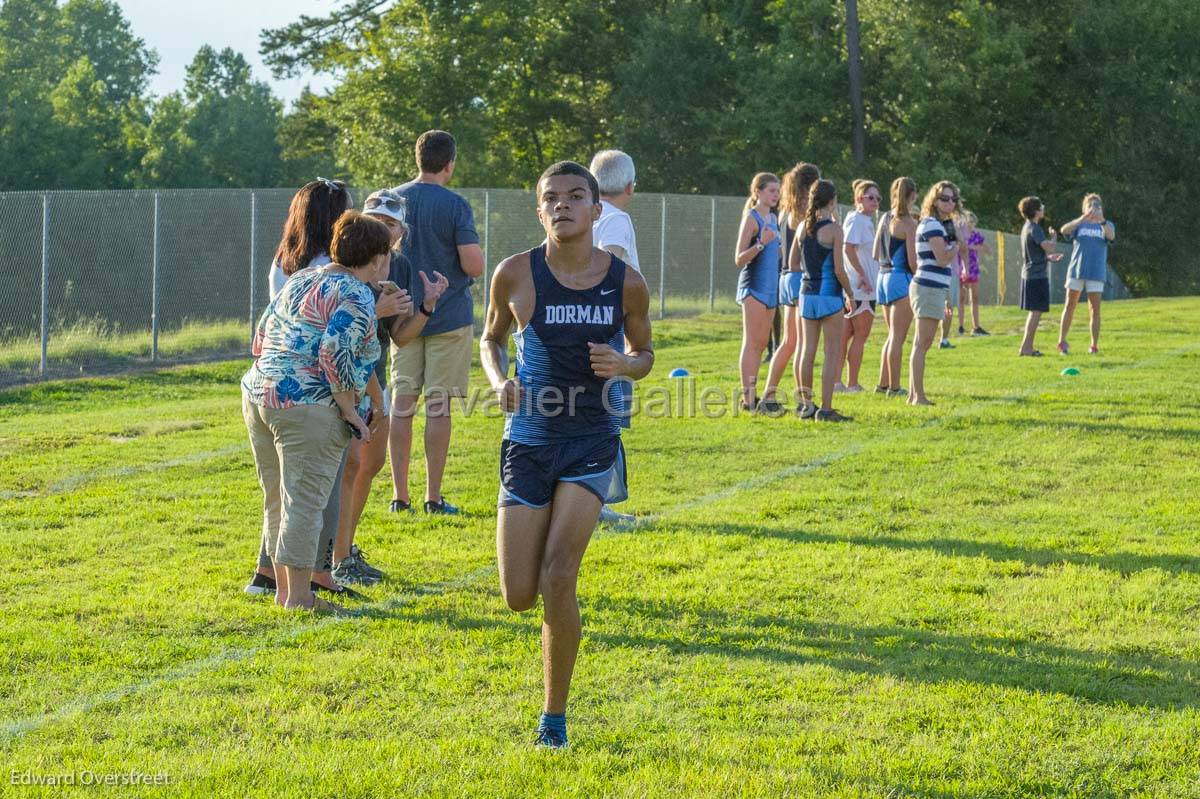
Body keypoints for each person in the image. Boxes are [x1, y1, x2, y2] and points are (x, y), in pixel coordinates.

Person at [481, 161, 653, 749]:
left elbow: (645, 350)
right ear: (539, 210)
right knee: (518, 595)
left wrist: (626, 365)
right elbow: (491, 338)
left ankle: (553, 719)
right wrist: (497, 378)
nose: (563, 206)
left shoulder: (625, 281)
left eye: (575, 196)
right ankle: (552, 698)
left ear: (595, 209)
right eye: (551, 198)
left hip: (591, 440)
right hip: (528, 442)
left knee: (560, 574)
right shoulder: (514, 274)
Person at [244, 179, 405, 599]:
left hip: (259, 394)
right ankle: (299, 596)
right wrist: (352, 411)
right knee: (306, 502)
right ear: (378, 257)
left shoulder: (302, 278)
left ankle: (280, 588)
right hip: (305, 404)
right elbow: (335, 352)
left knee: (277, 499)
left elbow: (261, 337)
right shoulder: (356, 294)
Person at [332, 190, 448, 586]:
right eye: (374, 218)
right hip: (345, 379)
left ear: (401, 231)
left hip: (372, 374)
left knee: (369, 464)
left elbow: (400, 336)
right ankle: (335, 555)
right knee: (349, 466)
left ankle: (344, 549)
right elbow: (341, 333)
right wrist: (376, 309)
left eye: (390, 223)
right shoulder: (347, 264)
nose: (382, 227)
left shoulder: (398, 265)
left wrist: (427, 306)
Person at [389, 130, 486, 516]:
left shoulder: (393, 200)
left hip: (402, 317)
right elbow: (473, 265)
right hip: (448, 317)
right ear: (450, 164)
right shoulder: (456, 205)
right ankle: (433, 496)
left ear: (418, 159)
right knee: (439, 407)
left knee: (402, 404)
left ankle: (399, 496)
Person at [589, 149, 640, 524]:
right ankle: (595, 502)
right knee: (607, 415)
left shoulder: (581, 214)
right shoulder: (616, 218)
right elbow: (610, 268)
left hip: (577, 321)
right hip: (607, 326)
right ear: (629, 186)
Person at [762, 162, 821, 414]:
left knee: (788, 342)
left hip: (785, 277)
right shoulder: (803, 214)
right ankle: (804, 401)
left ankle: (768, 395)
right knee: (801, 344)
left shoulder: (785, 211)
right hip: (798, 278)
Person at [795, 179, 854, 421]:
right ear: (832, 201)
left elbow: (793, 263)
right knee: (831, 354)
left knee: (807, 351)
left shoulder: (801, 228)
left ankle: (806, 405)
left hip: (806, 295)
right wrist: (851, 293)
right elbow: (839, 270)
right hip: (829, 296)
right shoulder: (834, 230)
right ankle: (826, 409)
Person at [908, 181, 963, 405]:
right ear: (934, 200)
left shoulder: (939, 225)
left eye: (953, 199)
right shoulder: (932, 225)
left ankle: (914, 395)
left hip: (934, 287)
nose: (949, 203)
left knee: (921, 343)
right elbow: (941, 259)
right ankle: (918, 396)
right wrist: (955, 249)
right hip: (927, 286)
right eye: (944, 198)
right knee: (922, 344)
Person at [733, 172, 781, 411]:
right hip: (753, 287)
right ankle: (748, 400)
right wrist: (761, 243)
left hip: (772, 288)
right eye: (771, 190)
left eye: (778, 190)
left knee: (762, 344)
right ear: (758, 192)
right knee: (752, 343)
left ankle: (758, 397)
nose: (776, 195)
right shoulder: (751, 219)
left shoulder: (774, 217)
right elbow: (739, 259)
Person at [874, 177, 919, 397]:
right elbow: (912, 261)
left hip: (882, 277)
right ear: (913, 196)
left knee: (891, 335)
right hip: (900, 278)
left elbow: (875, 252)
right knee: (898, 338)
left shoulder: (884, 217)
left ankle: (882, 384)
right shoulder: (909, 222)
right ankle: (894, 387)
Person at [836, 179, 881, 393]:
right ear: (858, 198)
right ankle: (852, 383)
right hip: (861, 288)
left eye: (878, 198)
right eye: (870, 197)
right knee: (860, 336)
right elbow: (848, 248)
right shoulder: (858, 220)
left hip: (856, 286)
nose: (875, 202)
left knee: (846, 336)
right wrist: (862, 275)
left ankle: (837, 382)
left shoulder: (860, 220)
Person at [1057, 193, 1114, 355]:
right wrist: (1082, 218)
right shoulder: (1079, 225)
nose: (1093, 208)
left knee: (1095, 310)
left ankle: (1094, 345)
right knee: (1069, 305)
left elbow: (1111, 236)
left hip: (1096, 272)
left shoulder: (1106, 225)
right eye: (1090, 205)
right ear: (1084, 208)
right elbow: (1064, 230)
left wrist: (1101, 220)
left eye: (1097, 205)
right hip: (1076, 270)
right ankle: (1062, 342)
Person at [1017, 196, 1063, 357]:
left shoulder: (1027, 227)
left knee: (1034, 312)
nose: (1043, 208)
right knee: (1035, 312)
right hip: (1036, 276)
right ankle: (1026, 348)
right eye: (1041, 206)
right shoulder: (1035, 228)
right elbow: (1048, 247)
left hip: (1030, 274)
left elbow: (1036, 252)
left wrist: (1048, 258)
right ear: (1036, 211)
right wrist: (1054, 237)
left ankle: (1026, 347)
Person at [959, 211, 991, 336]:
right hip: (961, 267)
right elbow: (960, 248)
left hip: (974, 268)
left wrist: (977, 248)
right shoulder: (961, 236)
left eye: (972, 222)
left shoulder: (976, 235)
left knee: (975, 298)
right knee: (962, 298)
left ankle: (976, 326)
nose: (970, 224)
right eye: (968, 222)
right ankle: (961, 326)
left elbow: (986, 249)